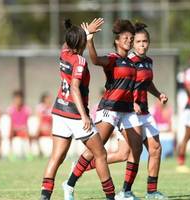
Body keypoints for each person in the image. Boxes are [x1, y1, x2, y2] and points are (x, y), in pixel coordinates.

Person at [63, 19, 143, 200]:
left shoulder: (131, 62)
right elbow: (95, 59)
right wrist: (89, 40)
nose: (129, 41)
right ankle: (70, 182)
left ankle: (126, 192)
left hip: (128, 110)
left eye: (131, 38)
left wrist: (135, 101)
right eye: (126, 38)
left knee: (134, 149)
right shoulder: (112, 59)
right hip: (110, 109)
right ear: (116, 40)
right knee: (95, 151)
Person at [40, 19, 115, 200]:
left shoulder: (64, 52)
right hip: (74, 114)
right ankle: (111, 197)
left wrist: (82, 33)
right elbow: (75, 88)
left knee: (56, 157)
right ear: (81, 42)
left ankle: (44, 197)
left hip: (59, 111)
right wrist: (84, 116)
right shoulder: (80, 61)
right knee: (100, 154)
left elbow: (68, 41)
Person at [7, 90, 32, 157]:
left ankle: (29, 153)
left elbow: (27, 122)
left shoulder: (26, 109)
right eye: (16, 99)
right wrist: (15, 128)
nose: (18, 100)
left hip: (23, 129)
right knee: (10, 132)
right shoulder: (11, 109)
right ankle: (11, 152)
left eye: (19, 99)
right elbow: (11, 122)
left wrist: (22, 127)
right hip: (14, 129)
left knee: (27, 132)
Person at [35, 92, 53, 157]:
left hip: (50, 128)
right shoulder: (40, 107)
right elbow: (39, 119)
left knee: (54, 134)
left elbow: (53, 121)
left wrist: (49, 127)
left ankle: (52, 152)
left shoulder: (52, 108)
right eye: (48, 98)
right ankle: (39, 151)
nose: (49, 100)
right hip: (42, 127)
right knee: (36, 133)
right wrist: (42, 127)